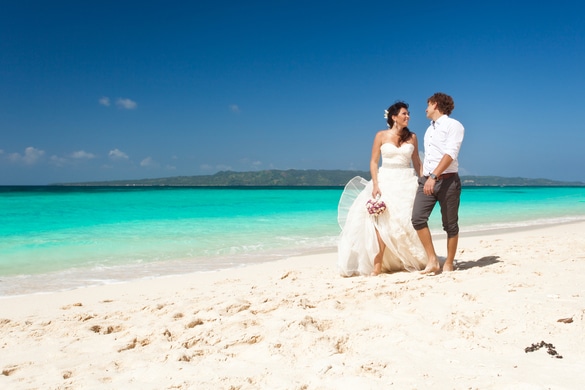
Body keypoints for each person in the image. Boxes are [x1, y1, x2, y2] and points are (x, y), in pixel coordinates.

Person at [337, 101, 427, 276]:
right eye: (404, 114)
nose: (408, 116)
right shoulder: (381, 135)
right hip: (386, 180)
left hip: (407, 181)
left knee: (405, 221)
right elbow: (373, 161)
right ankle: (377, 265)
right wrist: (376, 184)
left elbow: (416, 161)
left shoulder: (412, 137)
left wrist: (424, 181)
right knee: (381, 223)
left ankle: (405, 259)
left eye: (408, 114)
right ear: (394, 117)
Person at [412, 92, 465, 274]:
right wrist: (425, 178)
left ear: (435, 104)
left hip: (447, 181)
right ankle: (433, 260)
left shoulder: (454, 125)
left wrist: (434, 177)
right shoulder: (429, 130)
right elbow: (429, 157)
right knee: (417, 218)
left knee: (450, 224)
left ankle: (449, 263)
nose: (425, 109)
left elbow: (451, 153)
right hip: (427, 180)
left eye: (427, 104)